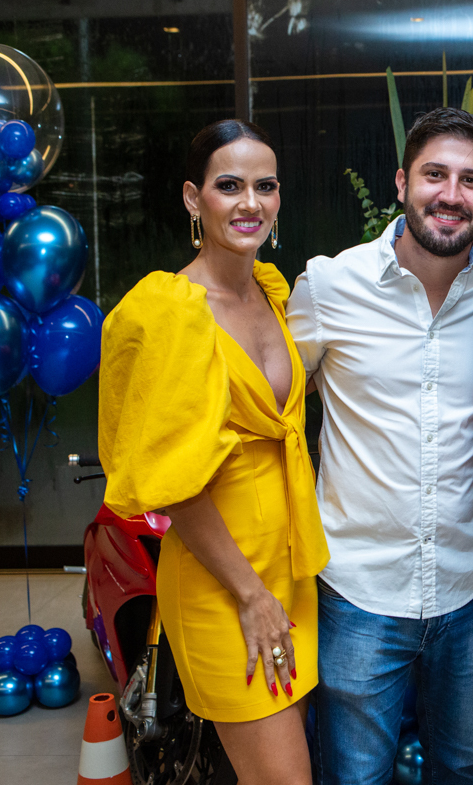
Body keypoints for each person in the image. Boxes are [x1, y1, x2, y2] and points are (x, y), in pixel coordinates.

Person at [98, 119, 330, 784]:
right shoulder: (172, 310)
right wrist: (251, 595)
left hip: (290, 567)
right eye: (229, 186)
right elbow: (174, 482)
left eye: (266, 186)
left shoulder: (272, 292)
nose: (251, 203)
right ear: (192, 198)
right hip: (224, 580)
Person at [285, 108, 473, 785]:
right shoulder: (328, 286)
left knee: (462, 768)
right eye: (435, 174)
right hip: (357, 588)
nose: (451, 194)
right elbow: (276, 412)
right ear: (402, 182)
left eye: (471, 180)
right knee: (356, 777)